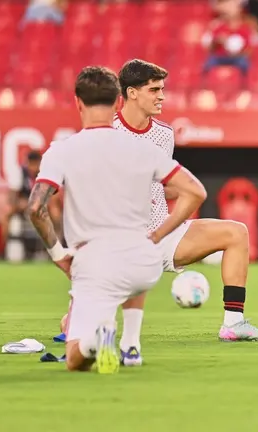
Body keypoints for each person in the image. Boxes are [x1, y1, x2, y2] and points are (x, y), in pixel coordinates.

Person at [28, 66, 206, 373]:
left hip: (94, 263)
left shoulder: (62, 151)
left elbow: (35, 208)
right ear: (117, 103)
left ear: (78, 103)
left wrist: (59, 255)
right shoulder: (143, 148)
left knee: (75, 359)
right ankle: (130, 345)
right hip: (143, 263)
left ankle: (96, 339)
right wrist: (158, 235)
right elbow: (195, 192)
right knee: (127, 270)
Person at [110, 59, 258, 367]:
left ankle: (233, 323)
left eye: (162, 89)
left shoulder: (163, 134)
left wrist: (182, 191)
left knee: (236, 232)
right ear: (132, 93)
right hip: (119, 241)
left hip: (161, 232)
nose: (162, 96)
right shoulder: (107, 132)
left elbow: (161, 187)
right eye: (154, 90)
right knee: (73, 326)